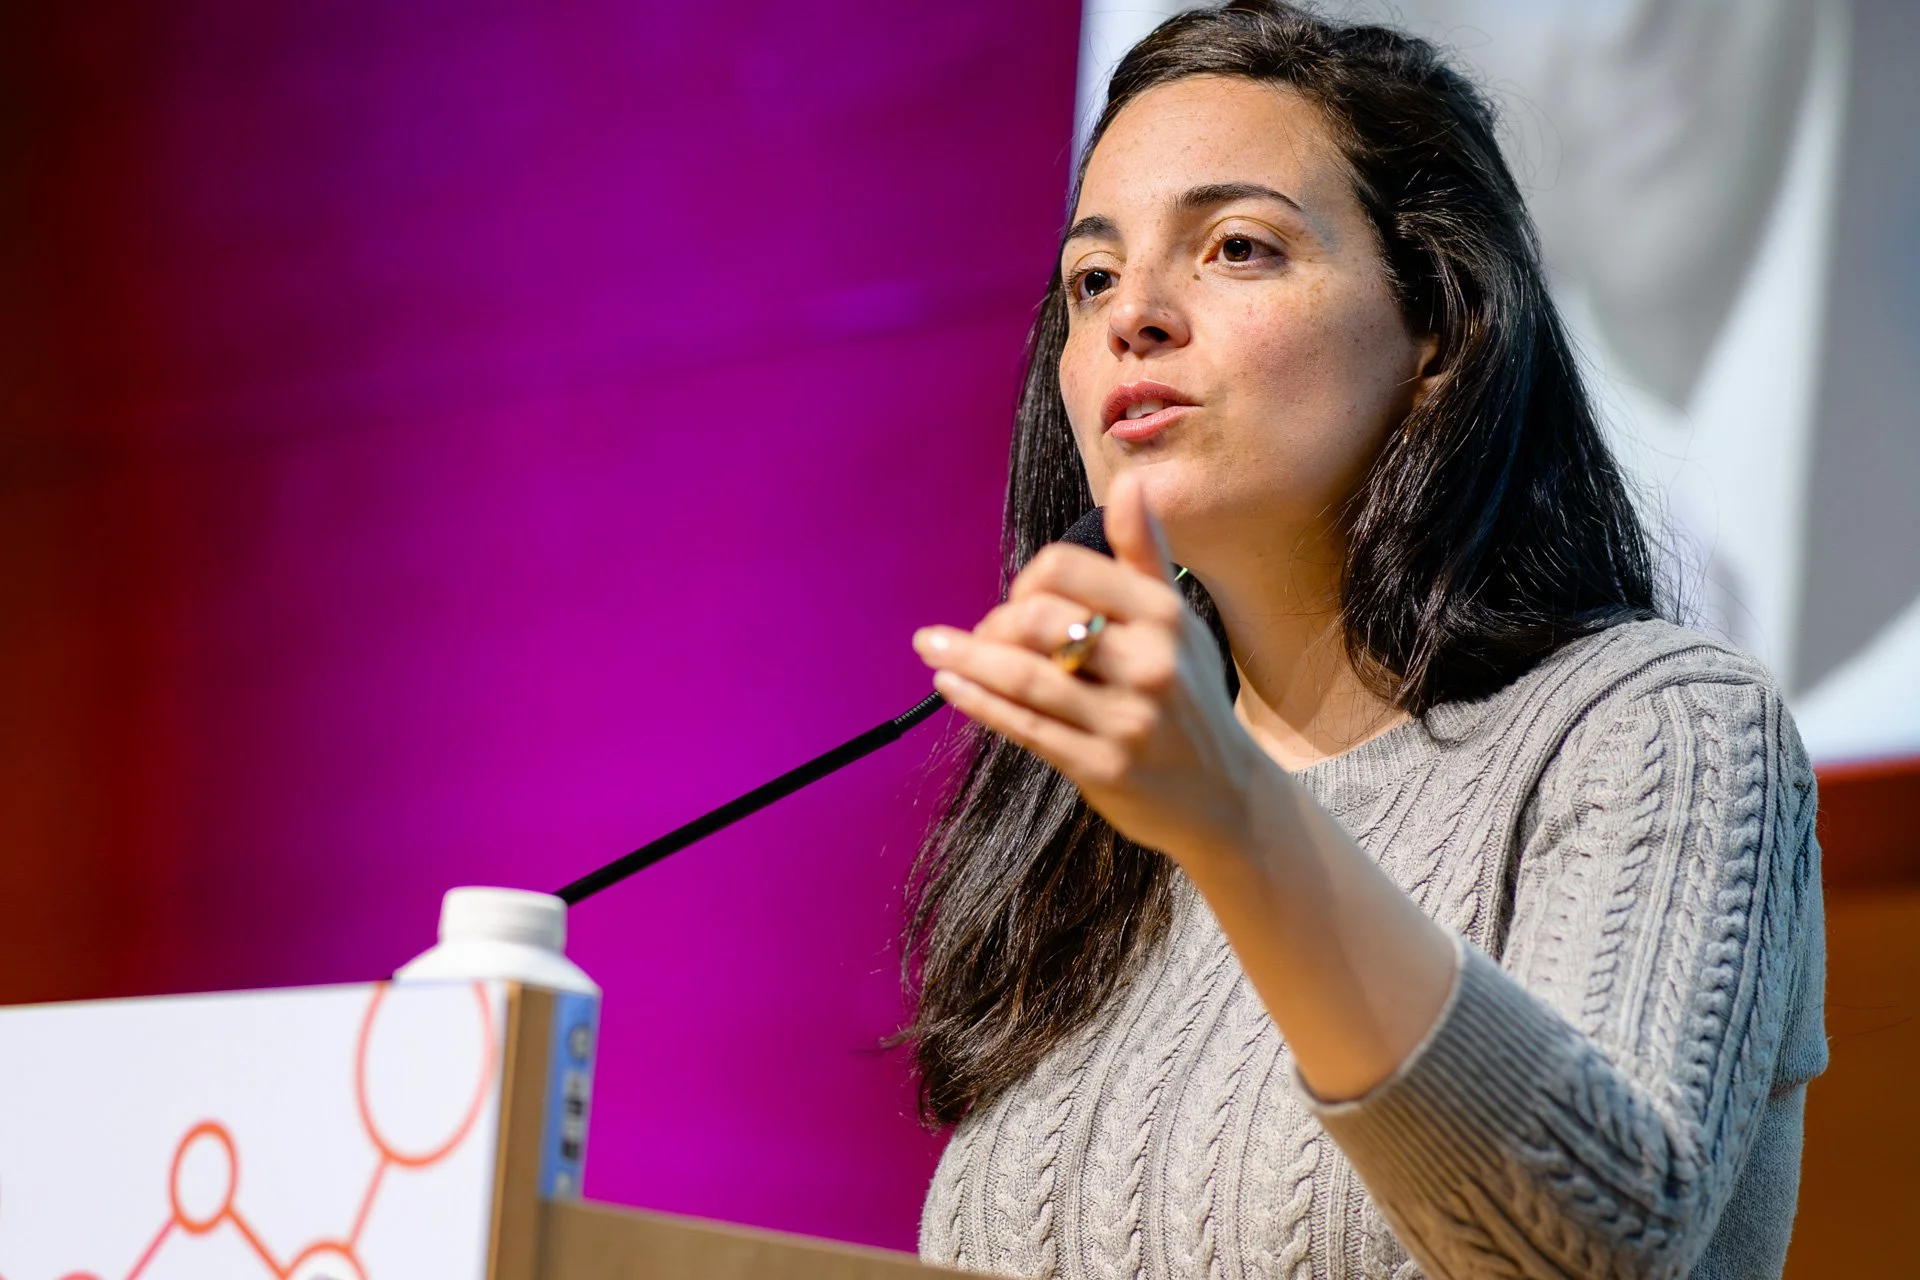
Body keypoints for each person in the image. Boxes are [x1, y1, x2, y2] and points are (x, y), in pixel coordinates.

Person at [903, 4, 1827, 1278]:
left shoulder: (1656, 724)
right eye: (1092, 278)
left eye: (1235, 247)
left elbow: (1596, 1239)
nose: (1135, 316)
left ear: (1439, 326)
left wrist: (1228, 816)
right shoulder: (1091, 827)